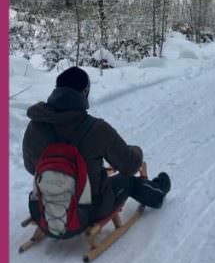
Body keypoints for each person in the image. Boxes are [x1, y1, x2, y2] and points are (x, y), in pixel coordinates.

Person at [22, 66, 171, 226]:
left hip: (43, 206)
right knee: (127, 181)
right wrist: (136, 150)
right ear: (85, 93)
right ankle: (158, 193)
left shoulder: (35, 125)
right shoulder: (96, 128)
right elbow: (130, 166)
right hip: (87, 212)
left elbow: (31, 167)